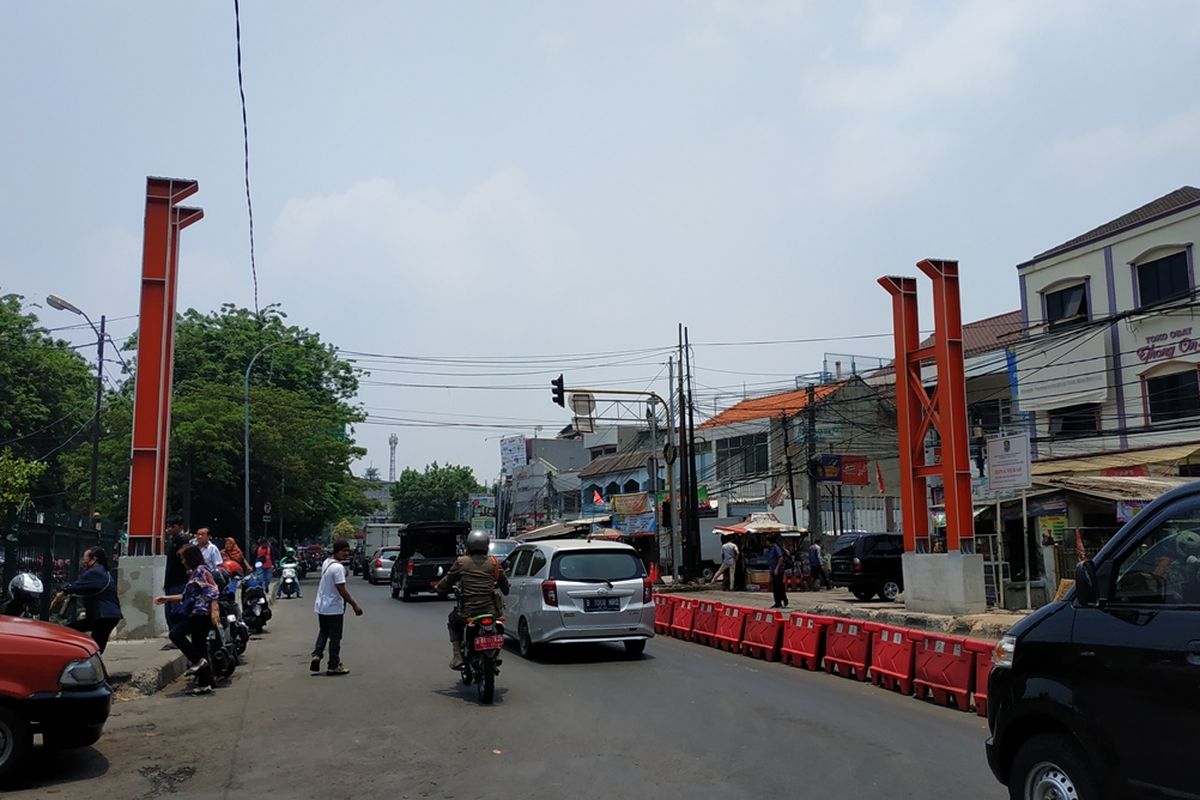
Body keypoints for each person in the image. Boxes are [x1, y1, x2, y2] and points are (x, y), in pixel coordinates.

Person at [436, 530, 509, 670]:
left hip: (468, 612)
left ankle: (457, 656)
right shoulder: (494, 563)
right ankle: (496, 655)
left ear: (468, 546)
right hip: (490, 611)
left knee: (453, 622)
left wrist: (439, 588)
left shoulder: (461, 562)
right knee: (499, 625)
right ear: (486, 545)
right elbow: (505, 587)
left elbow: (447, 580)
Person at [154, 545, 221, 695]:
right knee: (199, 645)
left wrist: (214, 611)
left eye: (184, 558)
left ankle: (197, 661)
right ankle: (206, 683)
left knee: (175, 634)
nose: (183, 562)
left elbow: (213, 590)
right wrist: (167, 598)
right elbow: (187, 595)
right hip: (198, 612)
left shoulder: (202, 571)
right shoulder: (194, 573)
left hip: (201, 613)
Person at [55, 547, 123, 653]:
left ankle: (90, 665)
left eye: (85, 558)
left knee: (92, 643)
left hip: (103, 616)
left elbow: (77, 585)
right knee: (96, 643)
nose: (83, 561)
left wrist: (63, 592)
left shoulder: (95, 572)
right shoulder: (103, 571)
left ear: (93, 559)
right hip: (107, 616)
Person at [310, 540, 362, 676]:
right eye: (344, 551)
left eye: (348, 551)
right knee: (335, 637)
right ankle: (333, 665)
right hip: (334, 607)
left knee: (323, 631)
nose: (346, 554)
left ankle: (317, 654)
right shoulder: (338, 568)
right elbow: (341, 589)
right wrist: (354, 605)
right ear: (336, 551)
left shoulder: (327, 562)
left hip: (322, 606)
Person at [162, 514, 190, 646]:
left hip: (179, 581)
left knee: (176, 612)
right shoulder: (173, 540)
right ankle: (175, 636)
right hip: (172, 581)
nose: (169, 529)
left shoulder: (182, 540)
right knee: (170, 612)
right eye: (168, 526)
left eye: (172, 526)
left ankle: (179, 637)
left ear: (180, 527)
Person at [767, 534, 789, 609]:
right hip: (773, 570)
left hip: (778, 570)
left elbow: (781, 558)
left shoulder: (776, 547)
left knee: (779, 586)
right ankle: (778, 602)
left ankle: (783, 600)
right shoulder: (770, 548)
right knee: (775, 587)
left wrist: (776, 568)